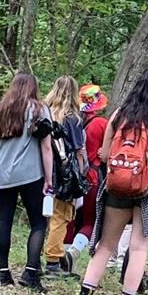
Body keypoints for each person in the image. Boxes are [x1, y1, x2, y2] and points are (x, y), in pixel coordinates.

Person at [65, 68, 148, 295]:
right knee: (139, 248)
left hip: (117, 185)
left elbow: (105, 155)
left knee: (106, 245)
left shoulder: (119, 115)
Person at [0, 73, 53, 292]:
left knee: (4, 220)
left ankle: (3, 273)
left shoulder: (0, 110)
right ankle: (31, 272)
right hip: (31, 174)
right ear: (34, 88)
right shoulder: (39, 110)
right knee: (39, 223)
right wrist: (49, 179)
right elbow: (46, 147)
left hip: (3, 175)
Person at [61, 84, 109, 276]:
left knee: (70, 220)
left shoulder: (72, 121)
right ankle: (74, 251)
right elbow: (108, 152)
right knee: (90, 220)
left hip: (71, 177)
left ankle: (62, 260)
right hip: (92, 177)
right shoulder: (102, 125)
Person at [43, 76, 86, 278]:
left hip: (43, 170)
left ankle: (46, 255)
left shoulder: (44, 115)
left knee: (47, 217)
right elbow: (78, 150)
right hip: (64, 173)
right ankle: (53, 260)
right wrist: (82, 171)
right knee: (62, 216)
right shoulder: (73, 119)